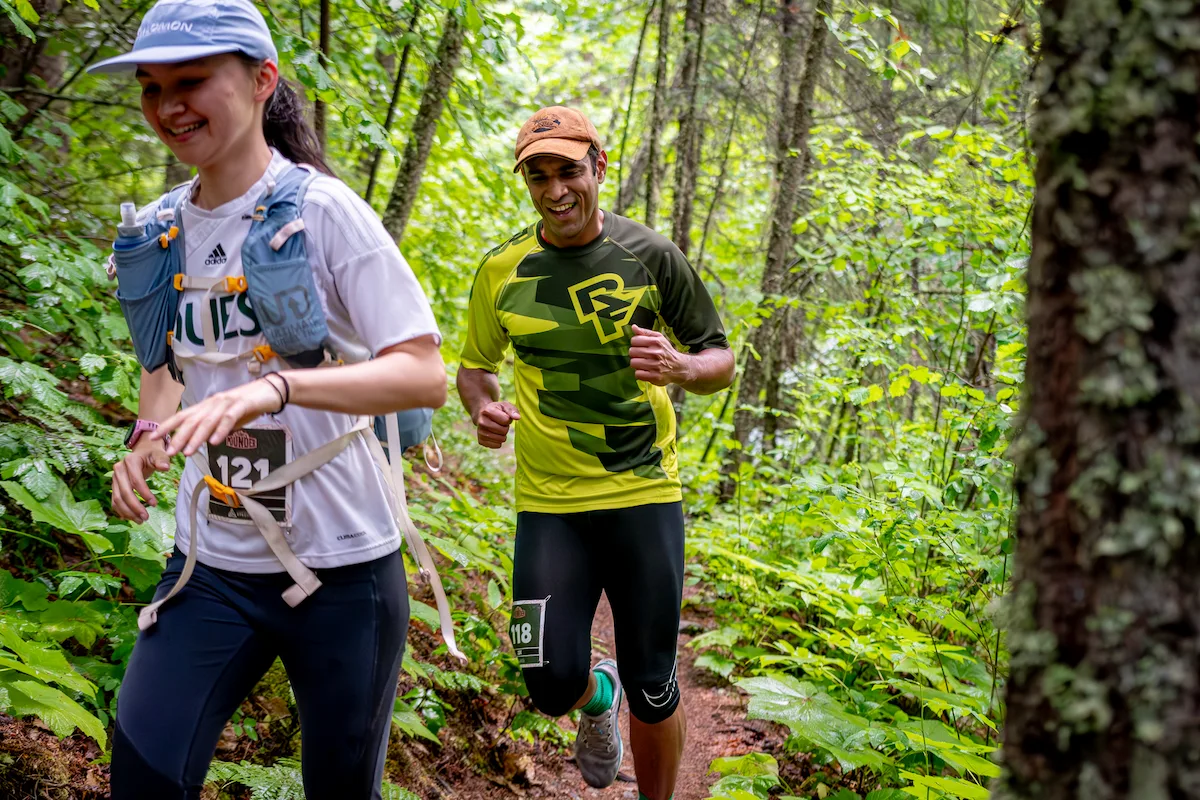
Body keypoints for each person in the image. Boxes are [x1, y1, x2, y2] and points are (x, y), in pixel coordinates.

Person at [94, 1, 445, 797]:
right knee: (143, 779)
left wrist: (278, 388)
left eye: (191, 81)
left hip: (343, 567)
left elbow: (422, 374)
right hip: (209, 562)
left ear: (262, 82)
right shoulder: (161, 227)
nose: (168, 107)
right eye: (151, 88)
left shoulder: (325, 214)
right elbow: (172, 359)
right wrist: (147, 434)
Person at [457, 106, 735, 800]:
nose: (556, 191)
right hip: (549, 503)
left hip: (643, 492)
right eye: (539, 176)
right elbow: (475, 368)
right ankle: (595, 696)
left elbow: (720, 359)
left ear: (599, 167)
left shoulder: (652, 256)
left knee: (655, 681)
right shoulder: (502, 270)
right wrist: (483, 408)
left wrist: (681, 367)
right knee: (546, 677)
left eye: (569, 171)